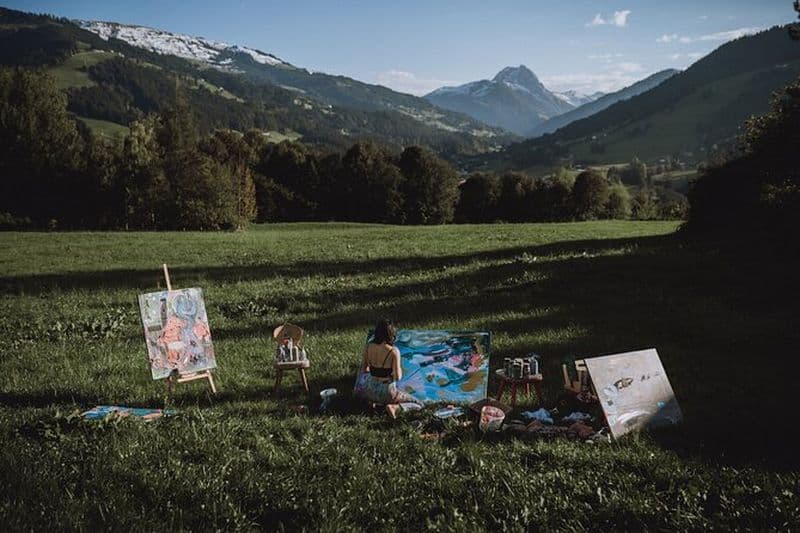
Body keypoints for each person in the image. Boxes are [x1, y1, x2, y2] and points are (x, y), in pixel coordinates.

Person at [358, 318, 417, 417]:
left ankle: (374, 405)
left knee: (376, 395)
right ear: (391, 333)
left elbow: (364, 370)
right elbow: (398, 377)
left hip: (369, 389)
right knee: (418, 403)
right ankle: (394, 407)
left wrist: (375, 371)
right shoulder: (393, 351)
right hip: (386, 391)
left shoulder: (368, 347)